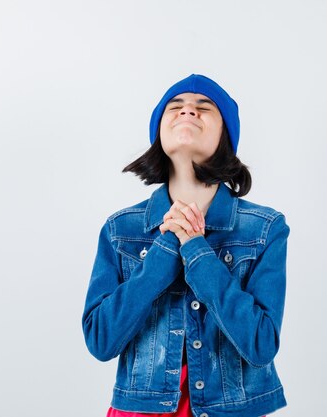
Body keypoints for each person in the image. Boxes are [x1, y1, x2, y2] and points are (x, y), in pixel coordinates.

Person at [81, 74, 290, 417]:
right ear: (159, 134)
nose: (188, 111)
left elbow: (261, 344)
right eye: (174, 107)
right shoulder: (121, 229)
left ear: (226, 135)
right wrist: (164, 252)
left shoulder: (265, 228)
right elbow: (101, 340)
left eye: (204, 108)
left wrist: (196, 251)